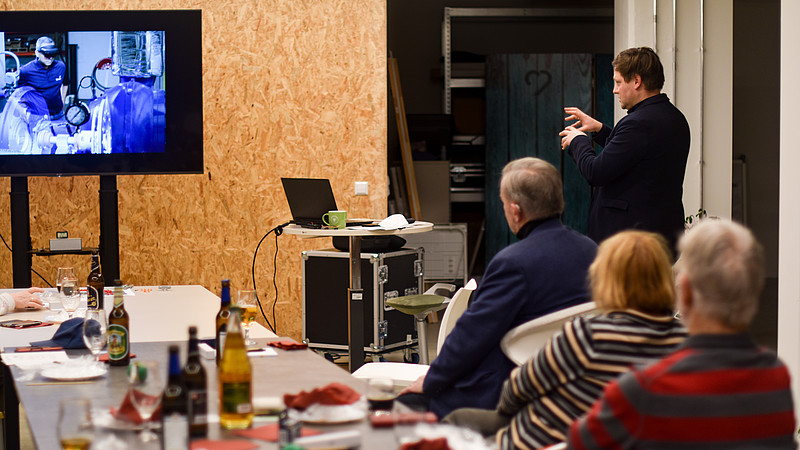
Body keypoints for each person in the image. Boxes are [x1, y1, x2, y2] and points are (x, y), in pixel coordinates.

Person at [442, 231, 687, 449]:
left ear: (607, 281)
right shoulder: (685, 341)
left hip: (558, 436)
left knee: (457, 420)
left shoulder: (587, 335)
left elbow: (521, 387)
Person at [567, 219, 796, 449]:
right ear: (756, 291)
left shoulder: (644, 390)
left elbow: (578, 444)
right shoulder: (776, 378)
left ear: (685, 293)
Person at [397, 157, 598, 418]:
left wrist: (431, 380)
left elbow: (471, 337)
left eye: (503, 203)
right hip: (572, 386)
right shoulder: (592, 251)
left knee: (402, 406)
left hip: (509, 388)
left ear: (515, 210)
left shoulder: (513, 262)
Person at [559, 47, 690, 253]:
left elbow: (596, 172)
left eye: (618, 82)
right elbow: (637, 153)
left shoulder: (639, 122)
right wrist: (600, 129)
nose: (614, 89)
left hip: (631, 245)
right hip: (659, 236)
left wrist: (578, 141)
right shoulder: (673, 117)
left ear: (636, 81)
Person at [18, 36, 68, 119]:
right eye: (47, 54)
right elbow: (17, 93)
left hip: (59, 114)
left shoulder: (61, 67)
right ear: (37, 53)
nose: (50, 58)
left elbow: (66, 84)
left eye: (53, 54)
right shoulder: (25, 71)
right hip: (38, 117)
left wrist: (62, 101)